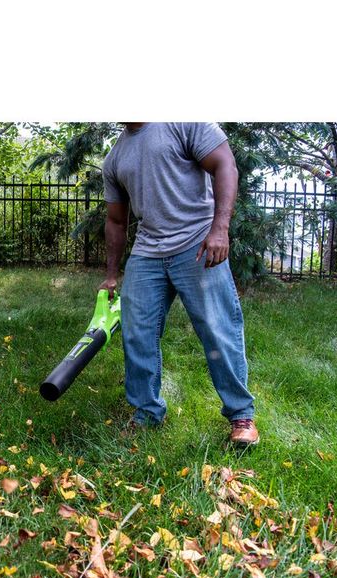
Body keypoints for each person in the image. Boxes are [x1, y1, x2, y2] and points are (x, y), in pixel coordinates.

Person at [99, 122, 259, 446]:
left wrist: (220, 229)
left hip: (197, 242)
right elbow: (116, 220)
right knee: (137, 332)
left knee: (217, 328)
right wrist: (112, 274)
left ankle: (241, 415)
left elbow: (225, 164)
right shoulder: (115, 157)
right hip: (147, 250)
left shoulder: (182, 121)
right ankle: (147, 411)